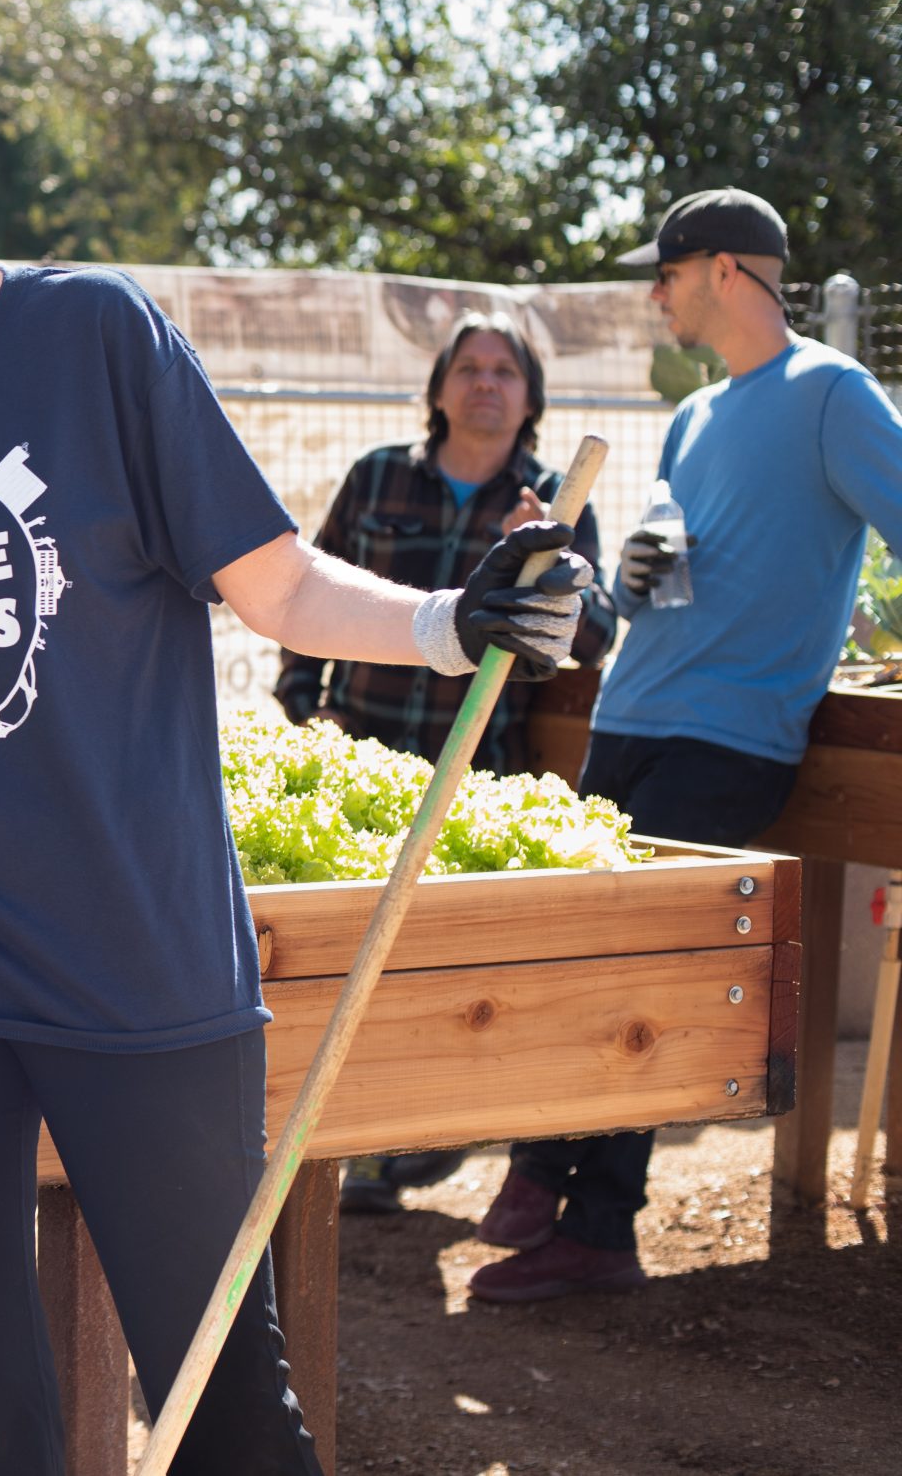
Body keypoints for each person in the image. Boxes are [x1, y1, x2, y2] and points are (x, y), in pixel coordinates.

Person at [0, 28, 593, 1475]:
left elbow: (277, 585)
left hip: (135, 963)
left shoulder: (92, 335)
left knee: (225, 1412)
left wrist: (457, 619)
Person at [468, 187, 902, 1303]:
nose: (651, 295)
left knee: (639, 962)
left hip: (731, 733)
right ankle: (538, 1171)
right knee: (577, 943)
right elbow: (654, 578)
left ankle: (599, 1226)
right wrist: (630, 574)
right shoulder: (695, 414)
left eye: (661, 274)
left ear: (721, 270)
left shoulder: (831, 393)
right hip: (629, 715)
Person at [273, 311, 618, 1215]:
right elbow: (306, 587)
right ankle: (331, 1138)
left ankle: (407, 1138)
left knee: (434, 970)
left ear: (531, 397)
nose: (486, 383)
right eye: (469, 366)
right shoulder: (379, 474)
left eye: (506, 370)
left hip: (473, 769)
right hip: (362, 758)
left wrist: (557, 555)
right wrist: (305, 710)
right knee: (340, 952)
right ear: (438, 388)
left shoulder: (555, 500)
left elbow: (598, 634)